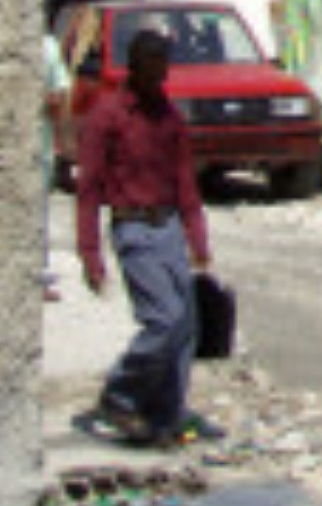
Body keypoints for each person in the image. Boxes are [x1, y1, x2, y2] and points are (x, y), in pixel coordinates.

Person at [76, 29, 213, 446]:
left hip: (168, 225)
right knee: (162, 320)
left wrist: (197, 239)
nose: (158, 80)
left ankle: (167, 412)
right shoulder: (109, 115)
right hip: (132, 228)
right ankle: (120, 395)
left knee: (187, 324)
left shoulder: (168, 116)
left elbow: (184, 179)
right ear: (134, 68)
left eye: (163, 72)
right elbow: (89, 188)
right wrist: (90, 255)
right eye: (151, 71)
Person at [42, 31, 71, 300]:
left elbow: (59, 97)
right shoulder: (48, 47)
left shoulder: (48, 47)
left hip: (39, 146)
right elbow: (58, 97)